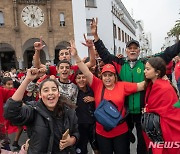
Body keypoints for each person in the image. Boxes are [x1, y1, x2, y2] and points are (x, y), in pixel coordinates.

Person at [90, 18, 180, 154]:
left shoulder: (146, 63)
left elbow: (167, 54)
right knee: (124, 143)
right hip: (124, 113)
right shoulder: (119, 63)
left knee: (142, 145)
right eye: (130, 48)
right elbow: (104, 54)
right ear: (126, 51)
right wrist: (96, 37)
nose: (132, 51)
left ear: (139, 51)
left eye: (135, 48)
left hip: (142, 112)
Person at [69, 40, 144, 154]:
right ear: (101, 76)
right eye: (105, 75)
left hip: (121, 132)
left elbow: (141, 85)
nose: (107, 78)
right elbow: (84, 69)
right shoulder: (97, 84)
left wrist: (158, 75)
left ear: (115, 76)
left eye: (110, 75)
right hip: (102, 132)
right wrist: (76, 56)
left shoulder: (122, 86)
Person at [4, 68, 79, 154]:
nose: (50, 93)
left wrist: (71, 140)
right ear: (40, 95)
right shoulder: (33, 110)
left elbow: (76, 132)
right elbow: (10, 112)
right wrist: (27, 80)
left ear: (58, 93)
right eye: (46, 90)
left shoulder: (69, 111)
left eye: (54, 89)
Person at [143, 57, 180, 154]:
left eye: (148, 69)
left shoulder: (163, 87)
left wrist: (147, 110)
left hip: (166, 128)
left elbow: (169, 111)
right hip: (157, 128)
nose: (144, 71)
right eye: (145, 68)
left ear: (157, 72)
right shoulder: (152, 84)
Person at [75, 70, 99, 154]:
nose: (81, 80)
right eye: (78, 78)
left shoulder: (93, 90)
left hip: (93, 124)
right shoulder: (74, 92)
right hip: (80, 125)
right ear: (75, 80)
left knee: (97, 148)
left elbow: (104, 99)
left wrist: (94, 99)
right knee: (81, 150)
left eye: (83, 77)